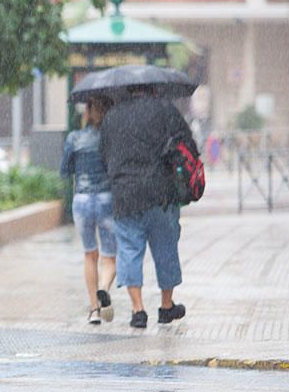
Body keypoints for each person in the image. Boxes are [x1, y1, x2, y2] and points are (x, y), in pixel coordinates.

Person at [99, 84, 197, 329]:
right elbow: (188, 144)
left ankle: (137, 310)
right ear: (152, 88)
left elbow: (103, 154)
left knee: (130, 251)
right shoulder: (165, 110)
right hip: (160, 193)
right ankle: (166, 307)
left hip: (125, 195)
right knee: (165, 249)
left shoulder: (112, 117)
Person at [60, 96, 117, 325]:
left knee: (89, 254)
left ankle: (94, 310)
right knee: (110, 257)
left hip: (82, 200)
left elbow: (65, 170)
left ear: (87, 113)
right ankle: (103, 287)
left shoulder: (74, 138)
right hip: (106, 199)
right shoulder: (110, 138)